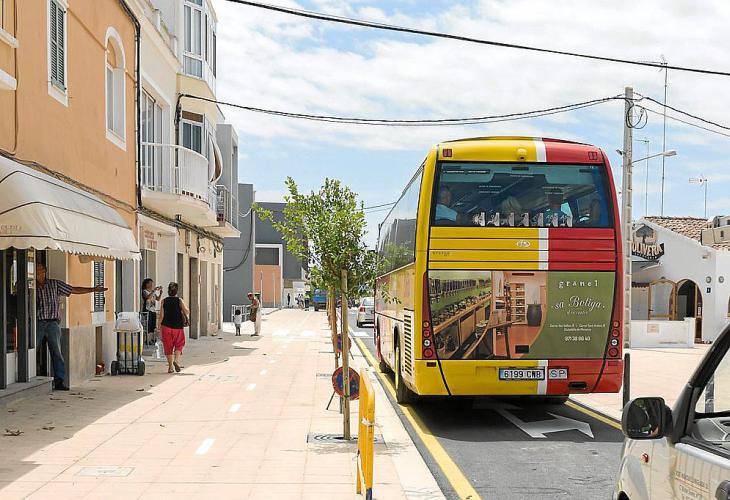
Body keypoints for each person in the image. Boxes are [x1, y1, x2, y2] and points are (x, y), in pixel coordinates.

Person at [36, 262, 107, 390]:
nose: (38, 271)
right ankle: (28, 376)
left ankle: (59, 381)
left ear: (45, 271)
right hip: (37, 323)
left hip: (52, 323)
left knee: (57, 353)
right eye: (36, 269)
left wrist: (93, 289)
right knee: (31, 350)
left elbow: (73, 289)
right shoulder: (31, 285)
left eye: (40, 269)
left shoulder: (54, 284)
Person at [158, 282, 189, 373]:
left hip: (166, 327)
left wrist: (158, 327)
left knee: (168, 346)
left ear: (168, 291)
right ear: (176, 291)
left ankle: (170, 367)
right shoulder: (179, 300)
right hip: (178, 327)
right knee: (179, 344)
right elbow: (187, 312)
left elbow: (161, 316)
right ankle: (176, 360)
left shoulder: (164, 301)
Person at [141, 278, 162, 343]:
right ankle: (147, 340)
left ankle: (152, 339)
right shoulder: (144, 291)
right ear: (146, 284)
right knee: (148, 325)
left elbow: (158, 299)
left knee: (153, 326)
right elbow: (148, 297)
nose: (151, 285)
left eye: (152, 284)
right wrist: (154, 291)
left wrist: (160, 293)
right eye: (150, 283)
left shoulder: (152, 292)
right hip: (148, 310)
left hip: (153, 310)